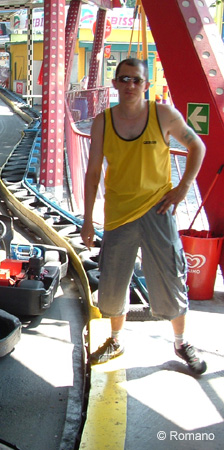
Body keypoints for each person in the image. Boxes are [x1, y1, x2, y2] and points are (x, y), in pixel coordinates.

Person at [80, 58, 207, 375]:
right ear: (115, 84)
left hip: (158, 209)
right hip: (119, 214)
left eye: (136, 80)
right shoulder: (103, 122)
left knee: (170, 277)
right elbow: (93, 172)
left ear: (146, 84)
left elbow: (197, 146)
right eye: (124, 79)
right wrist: (87, 218)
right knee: (112, 283)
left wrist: (182, 188)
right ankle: (116, 339)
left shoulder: (162, 114)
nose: (130, 85)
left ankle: (180, 342)